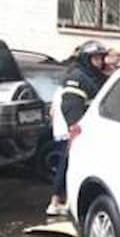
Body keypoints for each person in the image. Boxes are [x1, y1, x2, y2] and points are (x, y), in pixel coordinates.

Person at [45, 40, 111, 216]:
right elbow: (70, 104)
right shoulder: (77, 76)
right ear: (86, 59)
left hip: (93, 128)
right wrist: (75, 127)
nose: (99, 62)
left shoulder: (95, 76)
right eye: (95, 58)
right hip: (80, 129)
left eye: (101, 58)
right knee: (68, 161)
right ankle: (56, 201)